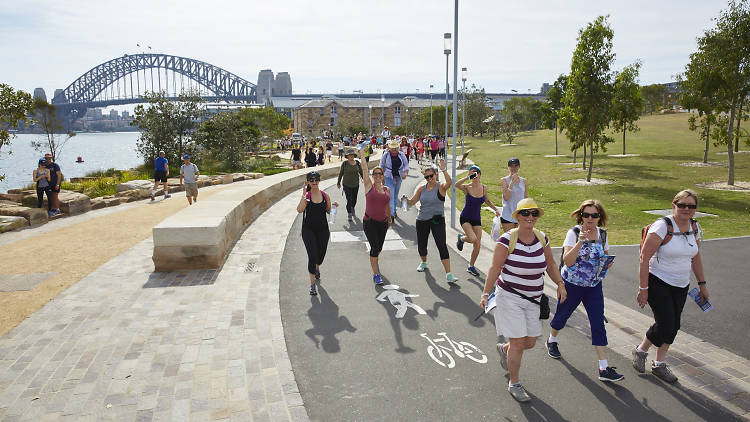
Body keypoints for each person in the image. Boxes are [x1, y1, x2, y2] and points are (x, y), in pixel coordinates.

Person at [479, 198, 566, 402]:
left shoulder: (541, 238)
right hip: (509, 297)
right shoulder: (507, 240)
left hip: (534, 298)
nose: (530, 217)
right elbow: (494, 269)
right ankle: (514, 383)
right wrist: (485, 293)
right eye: (525, 213)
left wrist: (560, 283)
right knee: (518, 342)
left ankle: (505, 349)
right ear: (517, 217)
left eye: (534, 213)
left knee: (530, 342)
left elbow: (551, 265)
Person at [632, 189, 708, 384]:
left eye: (691, 206)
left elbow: (696, 256)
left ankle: (647, 356)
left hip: (681, 284)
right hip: (658, 281)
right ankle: (654, 360)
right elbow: (644, 258)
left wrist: (702, 284)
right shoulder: (662, 226)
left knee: (673, 325)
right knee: (668, 324)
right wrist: (643, 288)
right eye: (682, 205)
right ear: (673, 205)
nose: (686, 209)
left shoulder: (695, 227)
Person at [547, 200, 623, 382]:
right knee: (562, 316)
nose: (590, 218)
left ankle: (604, 368)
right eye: (586, 215)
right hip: (571, 284)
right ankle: (551, 339)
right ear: (581, 215)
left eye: (594, 215)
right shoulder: (573, 233)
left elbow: (604, 257)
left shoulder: (603, 235)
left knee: (598, 323)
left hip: (593, 287)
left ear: (599, 217)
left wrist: (607, 263)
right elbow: (568, 261)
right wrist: (580, 242)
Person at [403, 159, 457, 283]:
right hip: (422, 220)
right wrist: (406, 200)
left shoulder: (441, 187)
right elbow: (412, 202)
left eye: (431, 176)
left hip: (437, 220)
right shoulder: (421, 189)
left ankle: (449, 274)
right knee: (422, 245)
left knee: (441, 245)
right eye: (426, 177)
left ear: (435, 175)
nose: (429, 179)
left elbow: (450, 182)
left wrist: (444, 169)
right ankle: (423, 262)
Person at [296, 171, 338, 296]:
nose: (314, 182)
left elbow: (329, 212)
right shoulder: (307, 196)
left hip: (323, 230)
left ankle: (317, 268)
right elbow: (299, 210)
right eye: (311, 180)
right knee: (312, 256)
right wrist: (303, 196)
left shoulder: (325, 196)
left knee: (320, 256)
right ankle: (312, 284)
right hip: (308, 230)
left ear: (319, 181)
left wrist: (334, 207)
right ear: (308, 182)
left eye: (316, 180)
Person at [456, 165, 501, 277]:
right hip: (465, 217)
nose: (474, 175)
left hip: (476, 219)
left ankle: (471, 266)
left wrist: (495, 209)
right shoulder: (467, 187)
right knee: (472, 238)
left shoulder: (484, 188)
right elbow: (456, 185)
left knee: (477, 243)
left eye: (475, 173)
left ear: (480, 174)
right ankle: (461, 238)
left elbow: (487, 200)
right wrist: (467, 178)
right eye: (471, 173)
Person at [358, 149, 390, 285]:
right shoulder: (368, 187)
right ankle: (376, 274)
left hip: (382, 223)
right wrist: (362, 156)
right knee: (375, 248)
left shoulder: (387, 189)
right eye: (375, 173)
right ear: (373, 175)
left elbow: (387, 204)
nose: (377, 175)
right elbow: (365, 170)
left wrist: (389, 218)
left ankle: (374, 260)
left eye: (380, 174)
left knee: (379, 248)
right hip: (369, 222)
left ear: (383, 176)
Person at [379, 140, 409, 222]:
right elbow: (381, 166)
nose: (394, 150)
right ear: (389, 147)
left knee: (395, 196)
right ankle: (391, 215)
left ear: (397, 147)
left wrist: (405, 173)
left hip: (398, 177)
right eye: (392, 148)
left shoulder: (401, 154)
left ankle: (394, 210)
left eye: (395, 148)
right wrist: (382, 178)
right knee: (390, 196)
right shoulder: (385, 155)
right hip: (388, 177)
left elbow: (406, 165)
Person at [500, 158, 528, 233]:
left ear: (519, 167)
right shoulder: (504, 180)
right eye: (511, 166)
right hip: (508, 215)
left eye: (516, 166)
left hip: (520, 215)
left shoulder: (524, 181)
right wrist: (512, 183)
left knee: (520, 239)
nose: (514, 168)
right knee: (510, 240)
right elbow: (506, 198)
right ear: (508, 167)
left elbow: (525, 198)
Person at [337, 149, 363, 222]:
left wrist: (365, 180)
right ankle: (349, 213)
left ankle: (352, 208)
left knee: (354, 199)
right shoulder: (345, 163)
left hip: (356, 184)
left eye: (352, 155)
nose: (351, 156)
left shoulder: (357, 163)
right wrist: (338, 182)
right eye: (349, 155)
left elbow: (361, 172)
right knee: (349, 199)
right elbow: (341, 173)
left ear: (354, 156)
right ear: (347, 156)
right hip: (346, 185)